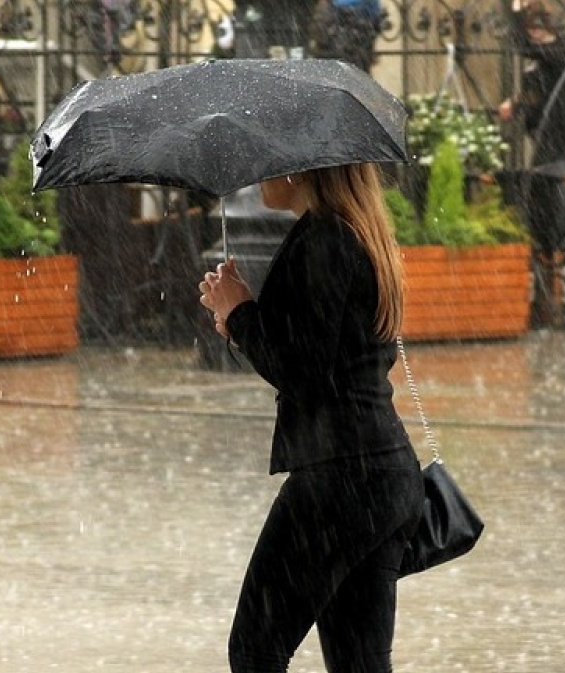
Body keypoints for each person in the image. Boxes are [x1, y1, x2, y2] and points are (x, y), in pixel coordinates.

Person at [198, 163, 424, 673]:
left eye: (270, 166)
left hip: (338, 479)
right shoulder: (355, 234)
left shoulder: (328, 239)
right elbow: (329, 356)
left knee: (255, 649)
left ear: (304, 171)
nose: (256, 176)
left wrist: (241, 314)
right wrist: (240, 320)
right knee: (358, 664)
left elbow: (303, 372)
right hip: (381, 476)